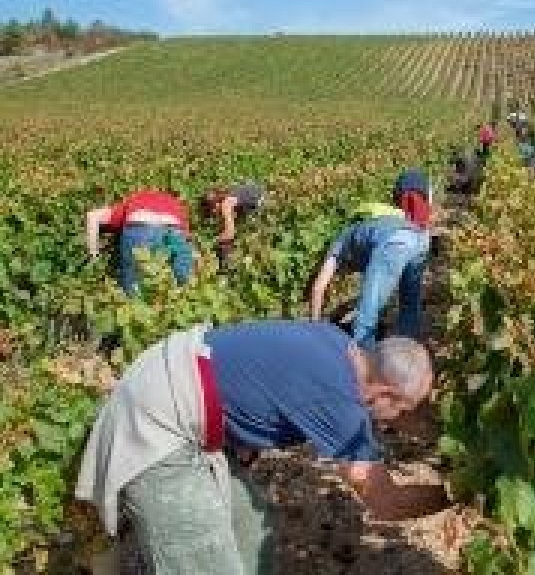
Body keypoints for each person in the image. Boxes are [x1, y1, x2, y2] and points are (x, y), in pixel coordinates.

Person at [76, 320, 449, 574]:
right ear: (385, 392)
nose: (395, 422)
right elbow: (385, 502)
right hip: (160, 420)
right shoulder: (342, 402)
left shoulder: (341, 345)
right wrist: (459, 491)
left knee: (252, 530)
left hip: (172, 384)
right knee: (204, 559)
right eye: (401, 410)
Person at [309, 169, 430, 347]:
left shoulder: (339, 242)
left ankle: (366, 363)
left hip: (395, 242)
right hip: (420, 238)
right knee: (409, 304)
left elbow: (318, 288)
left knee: (368, 313)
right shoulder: (369, 226)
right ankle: (407, 353)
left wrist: (313, 329)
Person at [85, 189, 193, 295]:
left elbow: (92, 215)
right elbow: (186, 241)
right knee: (180, 285)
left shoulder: (133, 200)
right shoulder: (175, 204)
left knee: (133, 286)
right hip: (174, 227)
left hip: (140, 225)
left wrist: (94, 254)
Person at [201, 182, 265, 268]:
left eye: (210, 210)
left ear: (215, 204)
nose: (213, 214)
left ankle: (227, 267)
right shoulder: (230, 199)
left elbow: (230, 233)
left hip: (263, 199)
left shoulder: (226, 204)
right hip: (260, 195)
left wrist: (211, 244)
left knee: (223, 242)